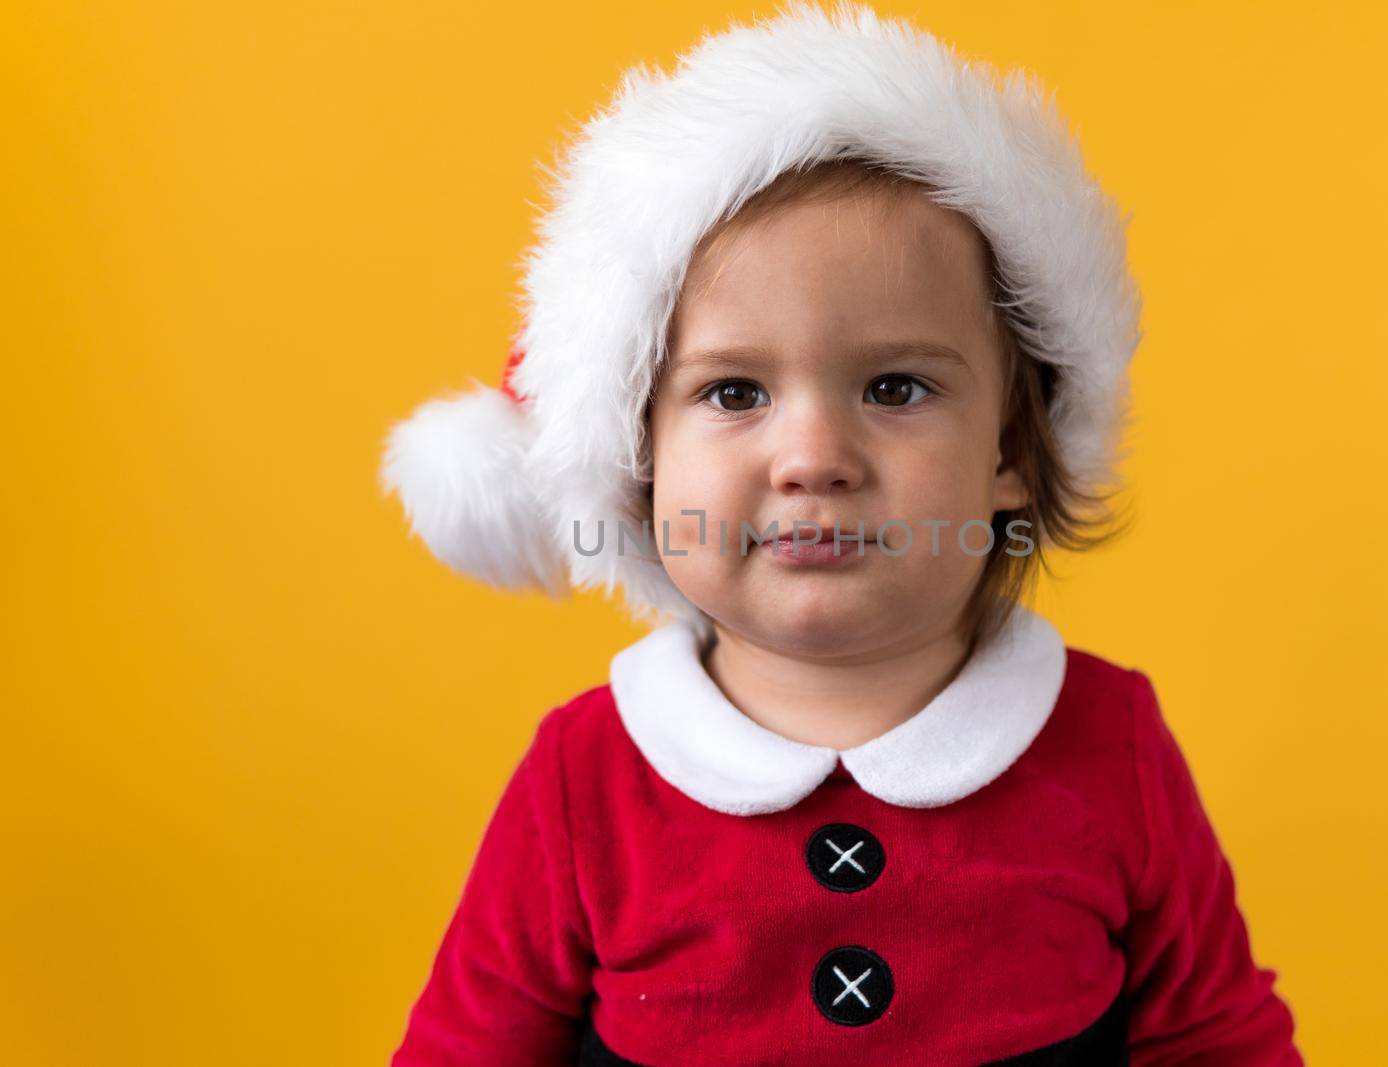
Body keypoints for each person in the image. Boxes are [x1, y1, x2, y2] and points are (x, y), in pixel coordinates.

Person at [379, 3, 1304, 1063]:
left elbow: (1216, 1037)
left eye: (894, 385)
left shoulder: (1108, 746)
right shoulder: (584, 780)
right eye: (733, 392)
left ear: (1007, 452)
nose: (812, 454)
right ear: (636, 467)